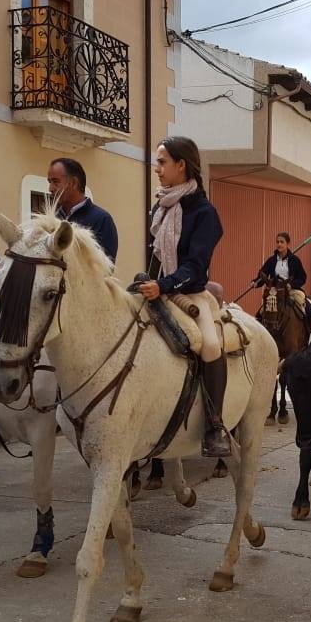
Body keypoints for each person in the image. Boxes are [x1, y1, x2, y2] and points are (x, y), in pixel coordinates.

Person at [137, 136, 231, 458]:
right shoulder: (160, 206)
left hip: (191, 293)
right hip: (156, 288)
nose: (157, 169)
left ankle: (215, 424)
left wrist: (166, 285)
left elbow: (195, 265)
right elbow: (155, 256)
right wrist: (150, 282)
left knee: (210, 344)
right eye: (157, 162)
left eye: (162, 162)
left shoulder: (205, 213)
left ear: (182, 165)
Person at [48, 157, 118, 262]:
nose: (50, 188)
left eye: (55, 182)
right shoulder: (51, 219)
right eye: (50, 182)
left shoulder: (102, 220)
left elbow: (105, 269)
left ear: (73, 183)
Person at [253, 232, 311, 328]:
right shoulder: (271, 260)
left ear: (288, 243)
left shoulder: (295, 260)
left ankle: (309, 334)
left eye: (282, 242)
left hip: (292, 290)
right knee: (259, 315)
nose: (279, 244)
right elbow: (263, 276)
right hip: (274, 292)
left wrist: (292, 284)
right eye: (277, 242)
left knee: (310, 312)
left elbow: (302, 278)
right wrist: (255, 282)